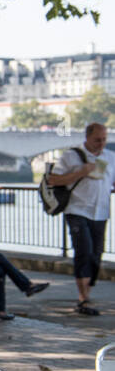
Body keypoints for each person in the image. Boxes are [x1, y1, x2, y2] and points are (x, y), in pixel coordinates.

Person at [46, 122, 115, 316]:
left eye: (104, 139)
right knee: (83, 249)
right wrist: (81, 172)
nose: (101, 143)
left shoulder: (111, 157)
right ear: (87, 138)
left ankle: (88, 293)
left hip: (101, 212)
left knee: (96, 254)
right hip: (77, 210)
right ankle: (82, 297)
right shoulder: (71, 156)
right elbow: (53, 180)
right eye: (97, 140)